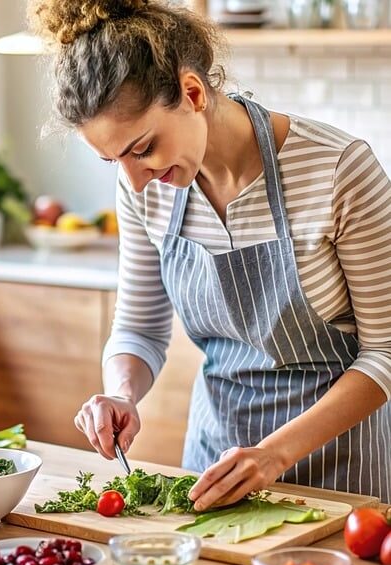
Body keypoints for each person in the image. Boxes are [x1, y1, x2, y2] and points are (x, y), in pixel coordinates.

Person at [29, 0, 391, 508]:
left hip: (343, 473)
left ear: (193, 93)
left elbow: (385, 355)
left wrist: (273, 455)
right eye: (113, 160)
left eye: (142, 148)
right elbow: (138, 328)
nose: (134, 179)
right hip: (214, 467)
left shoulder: (337, 170)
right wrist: (121, 393)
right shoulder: (143, 187)